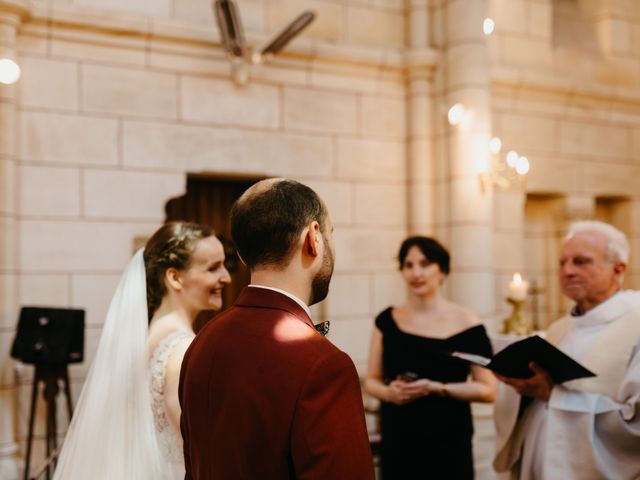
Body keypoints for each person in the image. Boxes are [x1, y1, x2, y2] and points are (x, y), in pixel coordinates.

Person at [179, 178, 375, 479]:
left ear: (242, 256)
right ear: (314, 238)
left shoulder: (203, 341)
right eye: (331, 234)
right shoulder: (325, 365)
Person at [53, 222, 230, 479]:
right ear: (174, 277)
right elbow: (199, 445)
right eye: (213, 268)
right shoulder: (182, 350)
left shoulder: (146, 338)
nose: (226, 277)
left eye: (224, 265)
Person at [494, 220, 640, 479]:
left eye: (581, 261)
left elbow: (635, 423)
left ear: (618, 269)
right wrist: (517, 383)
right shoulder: (560, 328)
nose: (567, 271)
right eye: (562, 262)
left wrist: (554, 395)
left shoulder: (636, 324)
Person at [364, 236, 497, 479]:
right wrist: (388, 393)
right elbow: (371, 379)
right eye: (408, 265)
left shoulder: (469, 324)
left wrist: (437, 387)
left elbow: (488, 390)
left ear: (443, 270)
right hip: (399, 436)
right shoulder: (386, 321)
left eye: (425, 263)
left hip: (449, 438)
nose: (416, 272)